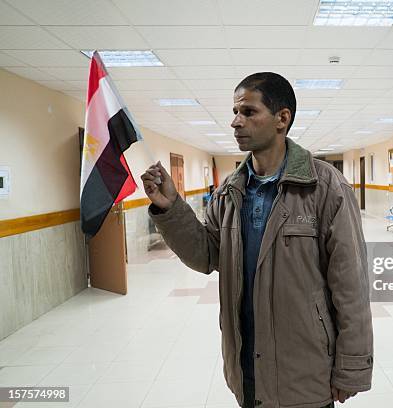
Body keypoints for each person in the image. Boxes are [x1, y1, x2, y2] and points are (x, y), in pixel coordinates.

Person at [141, 72, 373, 408]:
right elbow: (207, 255)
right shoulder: (229, 193)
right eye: (235, 112)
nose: (236, 122)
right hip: (246, 366)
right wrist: (171, 208)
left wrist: (351, 367)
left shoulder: (324, 188)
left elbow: (351, 284)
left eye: (248, 112)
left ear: (282, 118)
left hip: (305, 372)